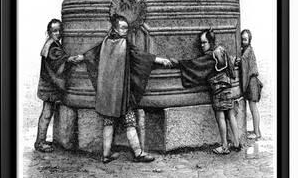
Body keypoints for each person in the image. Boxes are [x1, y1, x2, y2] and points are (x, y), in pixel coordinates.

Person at [82, 14, 172, 163]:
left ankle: (105, 155)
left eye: (126, 28)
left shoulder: (105, 42)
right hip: (122, 94)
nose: (125, 30)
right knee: (130, 122)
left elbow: (91, 55)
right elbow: (140, 56)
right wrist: (160, 60)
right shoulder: (124, 44)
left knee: (108, 122)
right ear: (115, 28)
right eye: (123, 28)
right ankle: (138, 153)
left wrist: (79, 57)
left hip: (107, 95)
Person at [170, 28, 241, 155]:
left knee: (220, 116)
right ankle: (237, 143)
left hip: (218, 91)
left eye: (204, 42)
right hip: (228, 88)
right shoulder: (222, 51)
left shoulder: (210, 56)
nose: (202, 45)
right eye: (201, 43)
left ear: (211, 42)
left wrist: (179, 63)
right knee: (230, 114)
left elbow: (195, 64)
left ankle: (224, 146)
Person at [34, 18, 80, 153]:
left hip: (48, 85)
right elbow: (58, 61)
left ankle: (40, 140)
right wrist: (71, 59)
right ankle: (40, 142)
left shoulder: (51, 44)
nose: (58, 33)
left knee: (47, 113)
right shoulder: (52, 46)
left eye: (60, 30)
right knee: (47, 114)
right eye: (54, 31)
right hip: (49, 87)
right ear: (49, 32)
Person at [237, 29, 263, 140]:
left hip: (251, 82)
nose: (243, 41)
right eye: (242, 39)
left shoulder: (246, 53)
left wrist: (242, 90)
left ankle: (256, 133)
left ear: (249, 40)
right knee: (254, 108)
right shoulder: (248, 50)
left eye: (245, 39)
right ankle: (257, 131)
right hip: (252, 81)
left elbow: (245, 74)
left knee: (253, 108)